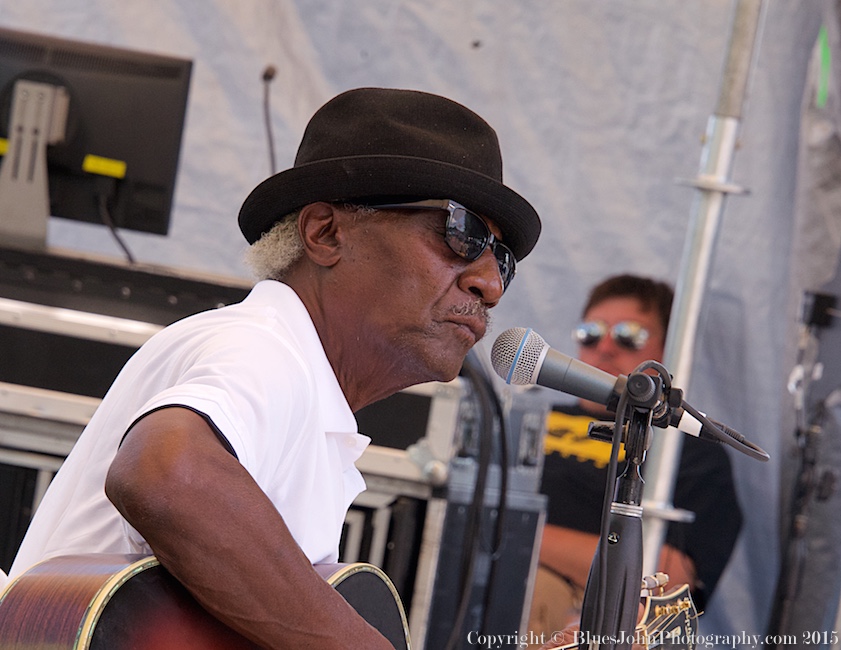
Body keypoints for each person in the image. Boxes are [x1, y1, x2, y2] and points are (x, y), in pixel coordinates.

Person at [7, 87, 543, 648]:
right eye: (462, 234)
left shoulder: (306, 395)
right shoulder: (263, 345)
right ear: (325, 233)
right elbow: (165, 472)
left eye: (501, 258)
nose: (491, 283)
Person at [528, 274, 743, 643]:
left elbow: (668, 577)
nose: (605, 348)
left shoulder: (689, 448)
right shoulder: (529, 417)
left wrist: (514, 531)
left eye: (629, 335)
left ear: (667, 351)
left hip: (574, 600)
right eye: (590, 333)